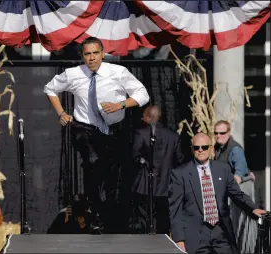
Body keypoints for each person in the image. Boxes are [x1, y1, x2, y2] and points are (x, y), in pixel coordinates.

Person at [44, 37, 149, 232]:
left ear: (102, 53)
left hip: (113, 130)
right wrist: (61, 113)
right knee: (92, 161)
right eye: (87, 54)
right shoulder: (73, 74)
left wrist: (121, 104)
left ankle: (108, 216)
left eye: (95, 53)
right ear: (82, 56)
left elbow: (143, 94)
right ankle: (96, 211)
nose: (91, 58)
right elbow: (50, 88)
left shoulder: (117, 72)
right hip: (84, 129)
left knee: (110, 175)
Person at [169, 132, 266, 254]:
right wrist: (179, 238)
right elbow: (175, 209)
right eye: (196, 147)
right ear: (192, 149)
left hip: (221, 232)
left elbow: (237, 194)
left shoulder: (223, 169)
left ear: (210, 148)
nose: (200, 150)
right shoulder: (180, 173)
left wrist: (253, 209)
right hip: (195, 235)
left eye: (204, 147)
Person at [131, 105, 183, 234]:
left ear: (150, 117)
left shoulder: (141, 133)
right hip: (166, 185)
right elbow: (179, 160)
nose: (142, 118)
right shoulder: (174, 136)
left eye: (144, 116)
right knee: (163, 219)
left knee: (144, 219)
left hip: (144, 185)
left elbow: (135, 157)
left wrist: (142, 162)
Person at [214, 120, 257, 253]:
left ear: (229, 133)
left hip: (237, 196)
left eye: (222, 133)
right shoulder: (219, 147)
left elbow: (238, 175)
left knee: (237, 229)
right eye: (216, 133)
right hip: (229, 195)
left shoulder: (235, 149)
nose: (218, 136)